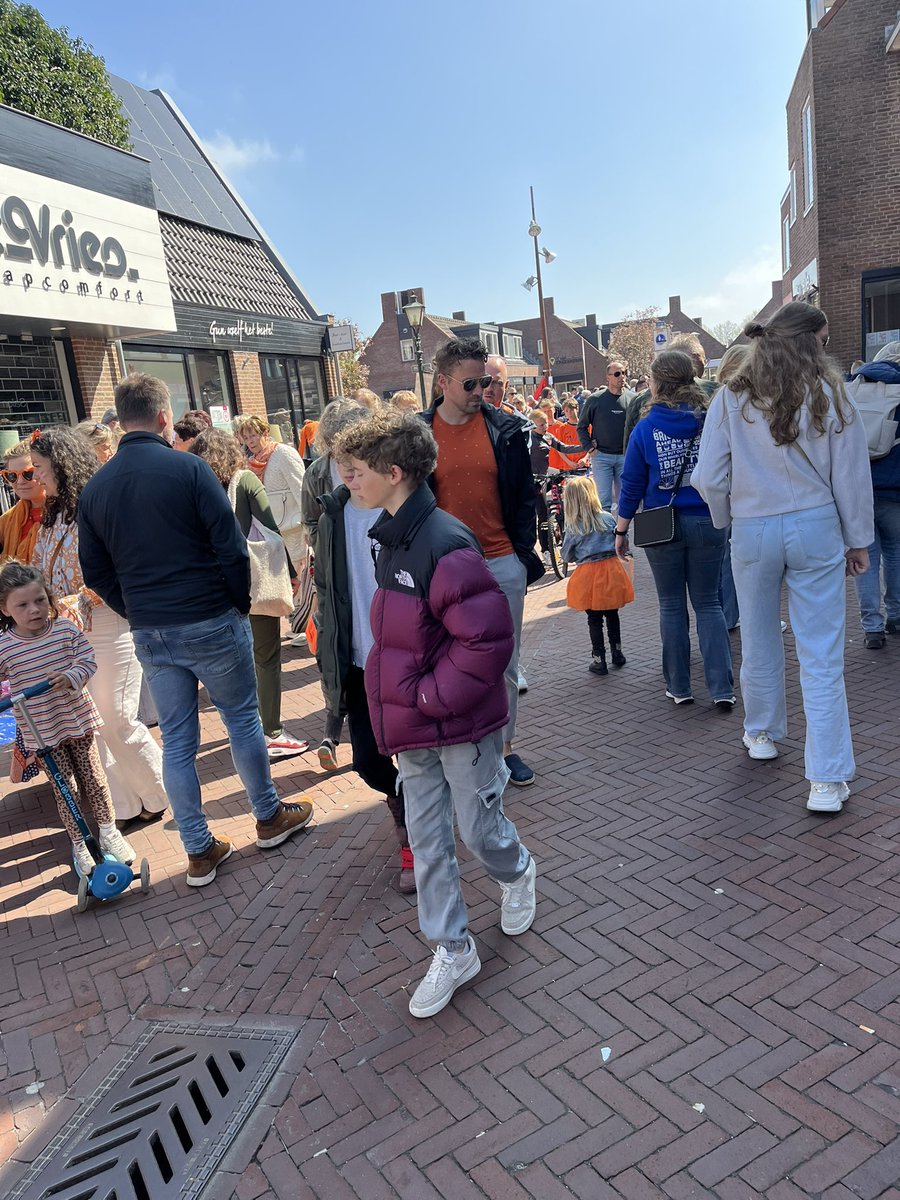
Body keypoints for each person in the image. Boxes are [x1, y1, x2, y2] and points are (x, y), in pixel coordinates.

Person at [334, 407, 536, 1018]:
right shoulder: (389, 533)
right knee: (427, 841)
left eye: (355, 471)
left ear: (394, 472)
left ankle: (518, 869)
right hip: (416, 722)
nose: (347, 481)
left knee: (477, 831)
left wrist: (427, 698)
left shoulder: (442, 541)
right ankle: (452, 947)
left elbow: (486, 641)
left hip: (452, 720)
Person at [77, 373, 314, 885]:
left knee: (180, 739)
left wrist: (135, 606)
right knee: (242, 720)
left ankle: (198, 847)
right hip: (207, 615)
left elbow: (95, 572)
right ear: (165, 417)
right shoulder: (188, 470)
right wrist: (235, 602)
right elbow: (229, 546)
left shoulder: (95, 489)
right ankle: (268, 817)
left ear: (121, 418)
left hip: (152, 628)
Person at [693, 301, 873, 813]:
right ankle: (826, 779)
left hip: (753, 524)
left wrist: (728, 517)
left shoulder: (733, 396)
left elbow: (709, 476)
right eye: (823, 339)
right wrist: (856, 539)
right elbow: (851, 475)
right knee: (820, 654)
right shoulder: (831, 393)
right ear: (808, 341)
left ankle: (762, 732)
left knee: (757, 634)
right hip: (814, 522)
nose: (826, 347)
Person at [30, 428, 169, 828]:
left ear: (62, 464)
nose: (35, 477)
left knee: (118, 718)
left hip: (109, 622)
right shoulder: (52, 515)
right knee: (95, 724)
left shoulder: (98, 505)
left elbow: (122, 568)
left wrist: (77, 599)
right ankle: (125, 806)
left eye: (38, 468)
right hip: (70, 632)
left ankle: (163, 792)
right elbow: (45, 571)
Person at [422, 340, 543, 787]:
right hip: (444, 570)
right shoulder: (419, 434)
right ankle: (462, 752)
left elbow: (523, 496)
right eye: (471, 383)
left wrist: (521, 554)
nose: (481, 391)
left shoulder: (505, 429)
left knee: (505, 664)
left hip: (500, 563)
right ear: (443, 382)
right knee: (447, 662)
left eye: (486, 381)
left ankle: (505, 750)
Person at [313, 439, 414, 893]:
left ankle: (413, 837)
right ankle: (407, 805)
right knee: (369, 761)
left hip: (404, 654)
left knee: (414, 752)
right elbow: (328, 589)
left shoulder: (404, 510)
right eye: (342, 468)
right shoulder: (332, 517)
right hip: (356, 657)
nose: (350, 478)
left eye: (357, 467)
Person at [616, 350, 734, 708]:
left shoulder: (646, 427)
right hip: (708, 519)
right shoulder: (711, 420)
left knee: (671, 605)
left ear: (658, 384)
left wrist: (620, 531)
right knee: (709, 603)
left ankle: (680, 686)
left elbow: (632, 483)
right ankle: (722, 688)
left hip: (660, 524)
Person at [0, 561, 135, 874]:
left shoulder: (64, 629)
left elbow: (87, 659)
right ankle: (80, 841)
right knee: (66, 788)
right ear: (5, 609)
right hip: (41, 730)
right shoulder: (5, 645)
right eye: (22, 605)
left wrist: (72, 675)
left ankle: (109, 832)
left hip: (76, 719)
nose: (34, 609)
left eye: (40, 601)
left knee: (95, 779)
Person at [190, 429, 308, 760]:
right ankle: (271, 731)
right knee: (266, 657)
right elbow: (271, 528)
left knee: (229, 662)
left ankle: (243, 729)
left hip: (208, 589)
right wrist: (292, 573)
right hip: (249, 582)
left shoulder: (191, 486)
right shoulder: (244, 481)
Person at [300, 398, 369, 767]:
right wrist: (328, 537)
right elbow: (309, 520)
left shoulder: (372, 465)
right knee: (331, 642)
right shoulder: (317, 474)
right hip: (333, 568)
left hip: (367, 566)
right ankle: (332, 728)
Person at [845, 341, 900, 648]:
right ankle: (896, 616)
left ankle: (872, 628)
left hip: (860, 489)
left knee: (865, 558)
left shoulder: (852, 387)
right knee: (896, 554)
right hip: (895, 489)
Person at [562, 476, 634, 674]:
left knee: (594, 619)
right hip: (611, 569)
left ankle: (598, 659)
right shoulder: (608, 518)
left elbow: (566, 555)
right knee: (612, 613)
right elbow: (622, 541)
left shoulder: (574, 526)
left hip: (588, 575)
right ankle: (617, 653)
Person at [232, 415, 307, 565]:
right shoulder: (251, 461)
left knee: (298, 578)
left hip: (293, 530)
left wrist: (309, 526)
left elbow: (302, 490)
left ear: (265, 433)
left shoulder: (284, 453)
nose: (250, 441)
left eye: (253, 435)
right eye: (246, 438)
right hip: (269, 533)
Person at [577, 363, 630, 510]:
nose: (622, 377)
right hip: (601, 456)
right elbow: (581, 426)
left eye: (624, 373)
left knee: (625, 500)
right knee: (603, 501)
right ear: (608, 377)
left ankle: (622, 533)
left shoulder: (632, 398)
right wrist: (589, 447)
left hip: (624, 456)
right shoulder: (595, 399)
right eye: (617, 374)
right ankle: (606, 533)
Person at [529, 409, 570, 562]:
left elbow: (564, 448)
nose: (545, 426)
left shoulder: (548, 436)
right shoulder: (527, 439)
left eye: (546, 423)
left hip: (546, 475)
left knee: (560, 507)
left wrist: (585, 447)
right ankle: (546, 550)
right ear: (533, 426)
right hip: (533, 481)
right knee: (542, 515)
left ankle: (562, 539)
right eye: (541, 424)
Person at [0, 440, 46, 566]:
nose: (19, 482)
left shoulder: (67, 515)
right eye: (11, 476)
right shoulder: (6, 520)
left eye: (28, 473)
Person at [549, 399, 589, 471]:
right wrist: (569, 462)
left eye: (571, 410)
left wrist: (585, 458)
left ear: (577, 409)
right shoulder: (562, 428)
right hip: (568, 466)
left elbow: (591, 445)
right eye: (567, 411)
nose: (569, 413)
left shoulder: (587, 426)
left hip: (584, 465)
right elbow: (560, 449)